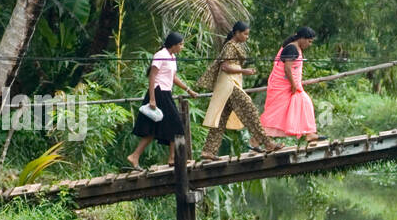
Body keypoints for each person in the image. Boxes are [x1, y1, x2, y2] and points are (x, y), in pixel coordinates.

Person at [198, 21, 281, 160]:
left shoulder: (233, 46)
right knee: (250, 111)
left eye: (247, 34)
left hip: (229, 85)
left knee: (221, 119)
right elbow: (225, 67)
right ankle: (268, 143)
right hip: (229, 85)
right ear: (236, 33)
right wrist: (244, 70)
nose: (246, 37)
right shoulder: (230, 46)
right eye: (244, 34)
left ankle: (208, 151)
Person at [127, 32, 198, 169]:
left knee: (153, 130)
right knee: (177, 124)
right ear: (174, 44)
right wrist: (152, 99)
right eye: (181, 44)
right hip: (158, 93)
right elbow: (152, 77)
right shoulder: (160, 55)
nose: (182, 47)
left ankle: (135, 156)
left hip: (166, 93)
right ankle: (172, 158)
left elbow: (173, 78)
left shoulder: (172, 57)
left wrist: (189, 90)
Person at [260, 26, 318, 145]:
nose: (309, 44)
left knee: (304, 104)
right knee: (274, 114)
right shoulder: (292, 48)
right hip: (283, 86)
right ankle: (256, 139)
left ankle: (310, 133)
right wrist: (293, 85)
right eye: (309, 41)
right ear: (302, 38)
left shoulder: (295, 48)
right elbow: (287, 69)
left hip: (289, 86)